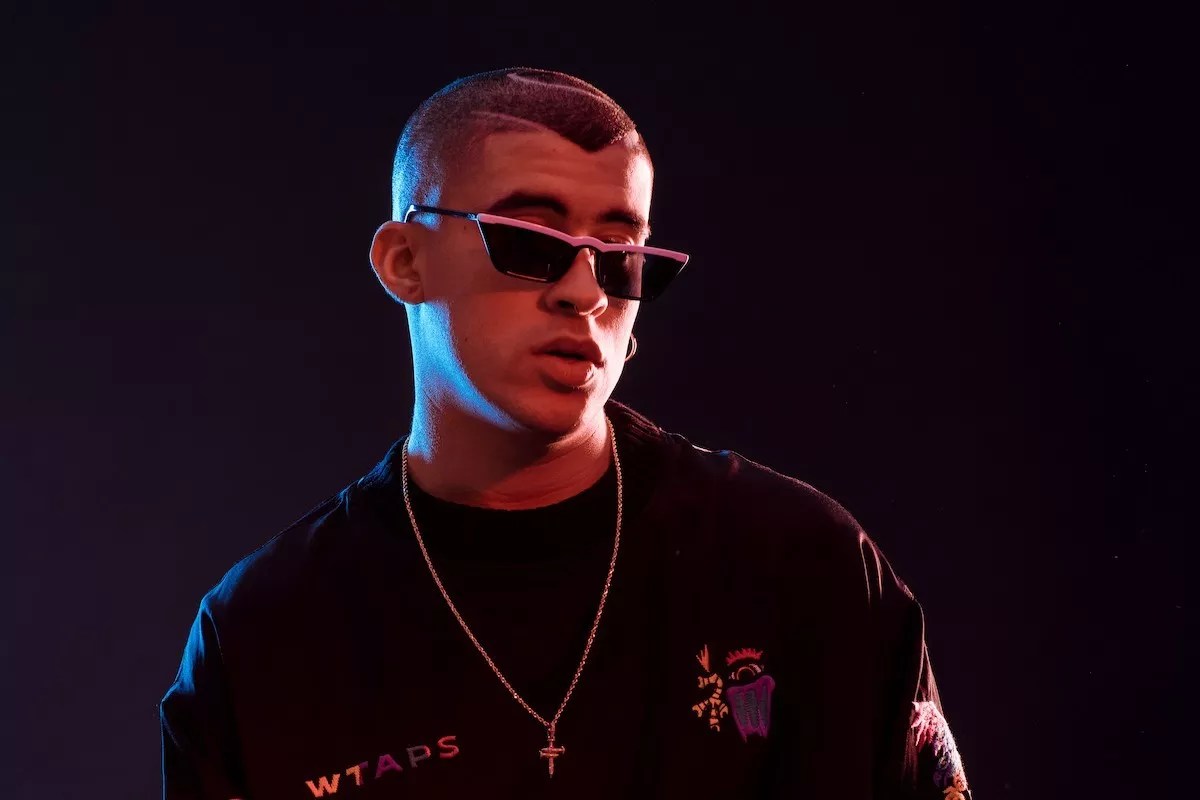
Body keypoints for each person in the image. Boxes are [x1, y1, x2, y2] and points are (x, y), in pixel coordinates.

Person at [159, 66, 973, 800]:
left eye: (619, 257)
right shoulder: (263, 634)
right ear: (405, 261)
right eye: (530, 243)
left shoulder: (808, 568)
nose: (586, 293)